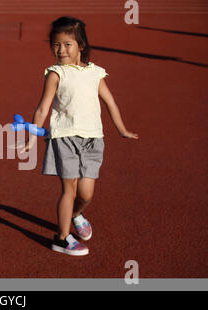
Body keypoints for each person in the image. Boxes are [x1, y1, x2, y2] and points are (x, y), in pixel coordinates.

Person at [24, 16, 139, 256]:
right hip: (64, 137)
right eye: (56, 44)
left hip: (93, 139)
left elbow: (110, 102)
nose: (61, 49)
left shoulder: (95, 73)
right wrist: (32, 138)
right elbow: (43, 108)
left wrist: (121, 129)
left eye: (67, 44)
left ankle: (76, 214)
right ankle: (62, 238)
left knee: (86, 194)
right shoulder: (55, 73)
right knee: (70, 189)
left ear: (81, 46)